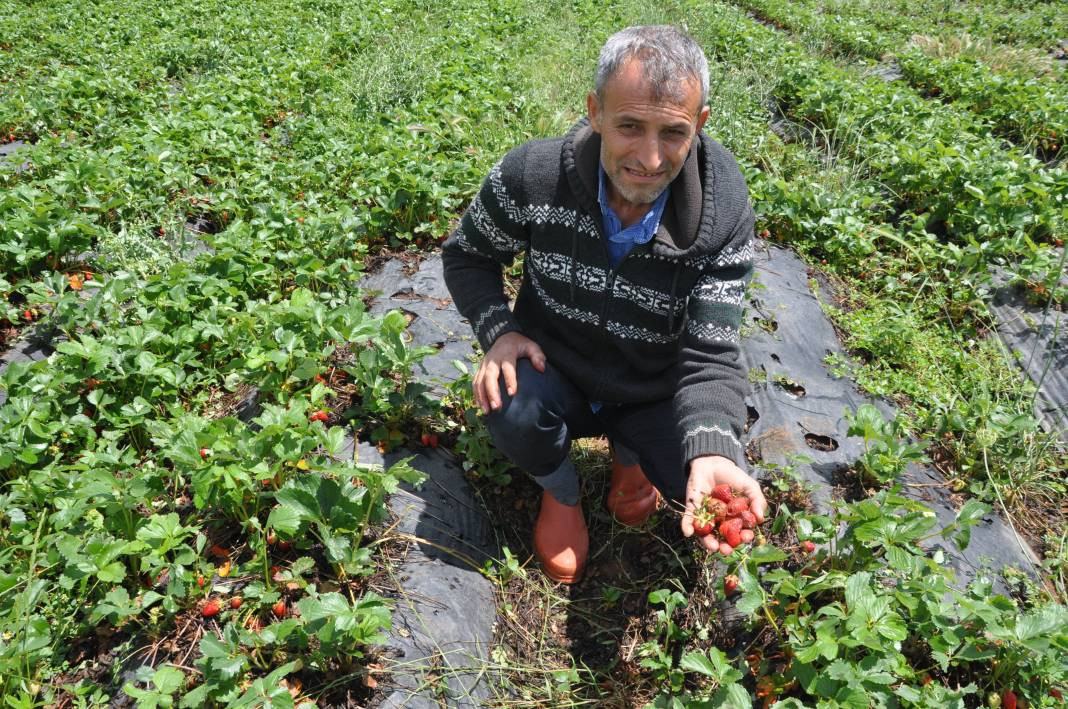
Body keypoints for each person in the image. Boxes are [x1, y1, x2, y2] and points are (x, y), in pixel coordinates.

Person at [441, 25, 766, 584]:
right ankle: (561, 495)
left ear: (701, 125)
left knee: (696, 469)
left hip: (651, 390)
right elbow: (467, 254)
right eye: (629, 126)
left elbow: (711, 354)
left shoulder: (724, 216)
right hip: (557, 367)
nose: (650, 156)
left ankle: (630, 458)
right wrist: (499, 330)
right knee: (509, 400)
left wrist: (714, 445)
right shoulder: (532, 177)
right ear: (595, 111)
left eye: (673, 132)